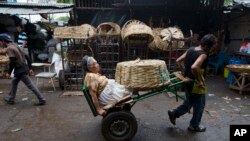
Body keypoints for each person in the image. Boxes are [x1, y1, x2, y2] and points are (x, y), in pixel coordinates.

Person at [168, 34, 217, 132]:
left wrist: (185, 72)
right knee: (200, 105)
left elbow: (178, 61)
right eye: (212, 46)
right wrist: (199, 80)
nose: (213, 48)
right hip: (195, 84)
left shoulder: (191, 49)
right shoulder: (203, 54)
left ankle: (174, 113)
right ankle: (194, 125)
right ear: (207, 45)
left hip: (187, 82)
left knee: (190, 101)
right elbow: (194, 67)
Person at [0, 33, 46, 106]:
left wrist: (9, 72)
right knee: (14, 82)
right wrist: (29, 67)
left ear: (3, 41)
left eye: (0, 41)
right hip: (23, 67)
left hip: (20, 69)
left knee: (30, 85)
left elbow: (12, 62)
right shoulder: (15, 45)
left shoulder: (9, 48)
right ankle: (11, 99)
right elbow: (27, 56)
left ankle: (42, 99)